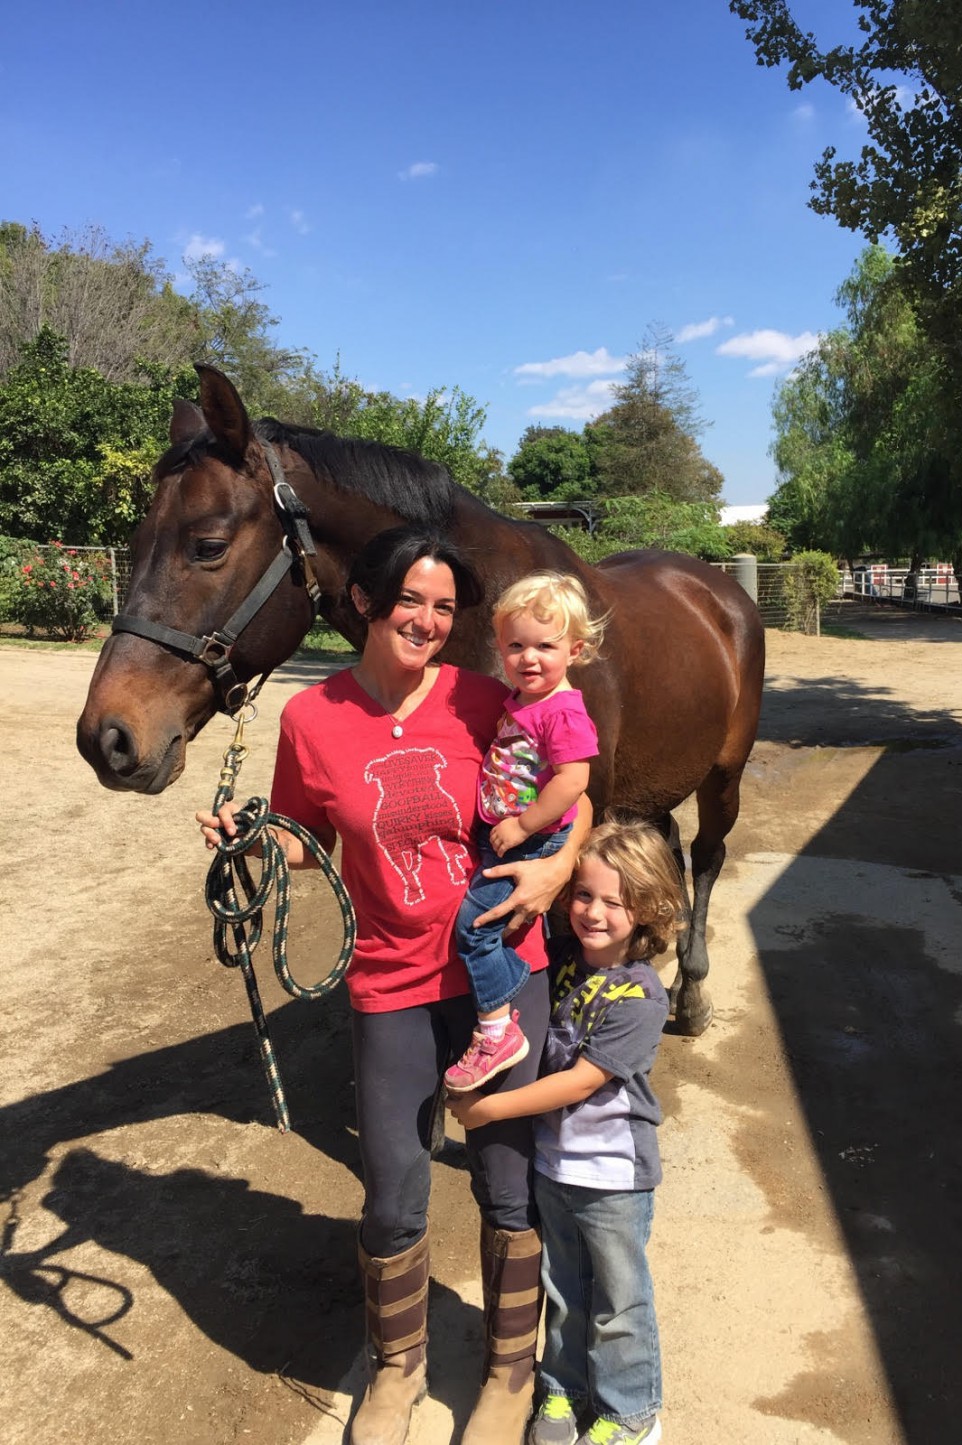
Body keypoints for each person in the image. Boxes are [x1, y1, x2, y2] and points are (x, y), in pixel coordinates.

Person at [196, 525, 592, 1445]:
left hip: (503, 966)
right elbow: (306, 840)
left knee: (506, 1174)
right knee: (392, 1184)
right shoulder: (313, 718)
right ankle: (396, 1370)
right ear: (368, 602)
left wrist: (556, 866)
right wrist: (256, 840)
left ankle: (507, 1369)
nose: (428, 619)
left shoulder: (490, 695)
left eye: (446, 607)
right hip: (391, 978)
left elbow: (576, 786)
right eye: (411, 600)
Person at [448, 818, 684, 1445]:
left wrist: (491, 1111)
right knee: (562, 1288)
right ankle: (561, 1391)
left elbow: (580, 1082)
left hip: (613, 1178)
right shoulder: (561, 966)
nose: (594, 912)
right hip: (555, 1169)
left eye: (615, 901)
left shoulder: (642, 995)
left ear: (650, 909)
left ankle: (630, 1409)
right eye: (584, 895)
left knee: (617, 1301)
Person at [444, 572, 605, 1095]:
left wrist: (523, 824)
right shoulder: (524, 700)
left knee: (476, 928)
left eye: (545, 646)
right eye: (515, 646)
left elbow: (574, 781)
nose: (528, 658)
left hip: (533, 838)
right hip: (512, 831)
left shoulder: (562, 711)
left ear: (575, 650)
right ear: (499, 648)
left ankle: (497, 1028)